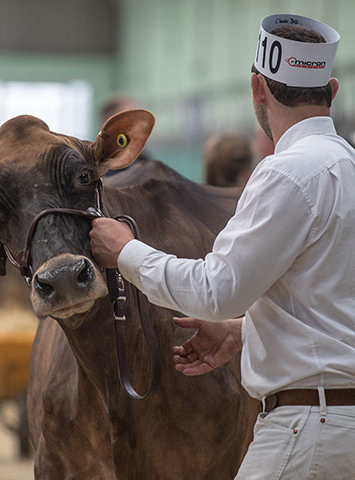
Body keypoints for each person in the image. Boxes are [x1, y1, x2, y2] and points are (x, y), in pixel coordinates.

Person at [90, 14, 355, 478]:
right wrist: (245, 333)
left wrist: (127, 251)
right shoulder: (347, 167)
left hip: (306, 425)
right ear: (331, 90)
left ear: (257, 88)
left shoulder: (284, 172)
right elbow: (331, 305)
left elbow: (217, 291)